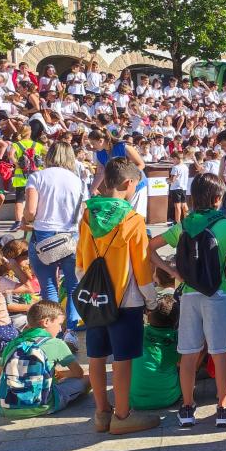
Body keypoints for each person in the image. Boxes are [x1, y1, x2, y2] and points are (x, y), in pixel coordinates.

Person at [149, 172, 226, 429]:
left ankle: (187, 408)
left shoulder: (184, 225)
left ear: (193, 198)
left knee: (188, 353)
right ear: (218, 199)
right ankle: (223, 407)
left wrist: (174, 272)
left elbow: (150, 247)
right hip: (217, 294)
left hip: (188, 294)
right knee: (220, 353)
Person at [77, 157, 161, 435]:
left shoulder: (88, 215)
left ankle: (102, 412)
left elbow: (80, 261)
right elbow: (142, 266)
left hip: (94, 298)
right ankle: (123, 415)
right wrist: (151, 299)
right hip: (126, 299)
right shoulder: (132, 219)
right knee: (123, 359)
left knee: (97, 355)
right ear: (128, 184)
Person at [23, 142, 86, 333]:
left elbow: (30, 213)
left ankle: (52, 330)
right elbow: (83, 214)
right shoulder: (79, 181)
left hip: (43, 237)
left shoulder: (37, 177)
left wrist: (26, 218)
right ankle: (71, 330)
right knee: (73, 286)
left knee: (48, 287)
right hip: (71, 237)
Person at [0, 301, 88, 418]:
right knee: (88, 378)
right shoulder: (57, 343)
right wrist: (60, 374)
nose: (60, 329)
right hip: (44, 405)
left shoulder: (13, 343)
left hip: (9, 408)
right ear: (46, 322)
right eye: (60, 324)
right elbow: (78, 373)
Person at [129, 293, 182, 411]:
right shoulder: (178, 338)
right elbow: (182, 364)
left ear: (149, 315)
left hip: (135, 401)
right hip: (169, 399)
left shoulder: (136, 333)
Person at [88, 128, 149, 219]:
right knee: (123, 218)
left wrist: (131, 180)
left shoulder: (123, 147)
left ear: (101, 141)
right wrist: (90, 192)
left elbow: (141, 164)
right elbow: (100, 174)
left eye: (93, 143)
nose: (92, 146)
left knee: (136, 217)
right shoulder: (100, 153)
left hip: (137, 185)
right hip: (121, 188)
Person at [9, 125, 47, 229]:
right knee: (37, 198)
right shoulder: (37, 145)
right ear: (30, 132)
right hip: (36, 176)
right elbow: (48, 152)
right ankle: (35, 219)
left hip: (21, 176)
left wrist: (17, 164)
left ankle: (18, 222)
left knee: (19, 199)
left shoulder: (16, 144)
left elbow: (11, 155)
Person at [168, 151, 189, 224]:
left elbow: (172, 180)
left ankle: (177, 222)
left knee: (177, 206)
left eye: (172, 159)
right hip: (184, 188)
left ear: (176, 158)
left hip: (176, 188)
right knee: (184, 205)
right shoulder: (185, 167)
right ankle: (187, 221)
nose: (172, 161)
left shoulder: (175, 167)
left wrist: (166, 180)